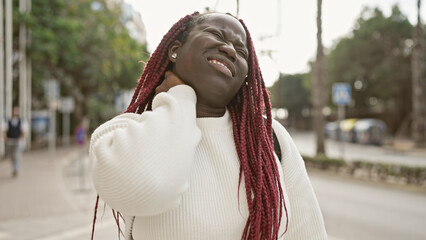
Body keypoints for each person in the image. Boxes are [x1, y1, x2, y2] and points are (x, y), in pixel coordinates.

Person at [89, 11, 327, 240]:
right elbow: (150, 187)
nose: (230, 50)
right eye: (217, 35)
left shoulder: (269, 138)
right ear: (174, 50)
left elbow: (308, 233)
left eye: (241, 51)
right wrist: (180, 97)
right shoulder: (121, 133)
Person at [3, 106, 27, 177]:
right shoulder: (8, 121)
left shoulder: (21, 121)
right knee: (12, 156)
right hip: (10, 141)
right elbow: (4, 130)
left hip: (17, 141)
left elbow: (24, 131)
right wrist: (5, 138)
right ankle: (14, 168)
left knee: (16, 155)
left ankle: (16, 169)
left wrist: (21, 138)